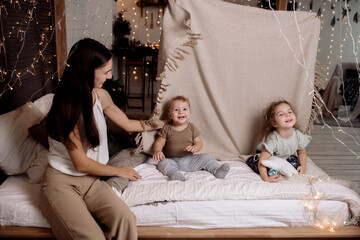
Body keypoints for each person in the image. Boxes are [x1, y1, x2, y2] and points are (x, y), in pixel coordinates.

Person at [40, 38, 162, 240]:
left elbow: (128, 124)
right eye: (105, 72)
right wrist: (119, 171)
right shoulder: (67, 108)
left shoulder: (100, 95)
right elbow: (80, 164)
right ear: (87, 71)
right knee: (93, 237)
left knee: (126, 220)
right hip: (62, 183)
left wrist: (160, 123)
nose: (110, 75)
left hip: (91, 181)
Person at [152, 96, 230, 181]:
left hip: (191, 160)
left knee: (206, 157)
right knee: (162, 162)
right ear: (170, 115)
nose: (181, 112)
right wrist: (157, 150)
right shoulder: (167, 128)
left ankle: (216, 170)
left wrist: (195, 147)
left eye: (184, 109)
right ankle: (173, 173)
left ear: (190, 114)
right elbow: (159, 142)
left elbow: (199, 142)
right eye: (176, 110)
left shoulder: (192, 127)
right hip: (172, 160)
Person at [246, 100, 311, 183]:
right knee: (268, 170)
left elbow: (302, 153)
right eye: (281, 114)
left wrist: (303, 167)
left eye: (290, 112)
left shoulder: (298, 135)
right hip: (270, 158)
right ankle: (251, 160)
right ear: (274, 123)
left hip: (285, 157)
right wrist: (265, 178)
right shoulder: (273, 139)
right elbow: (263, 160)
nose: (287, 115)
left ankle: (283, 166)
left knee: (296, 165)